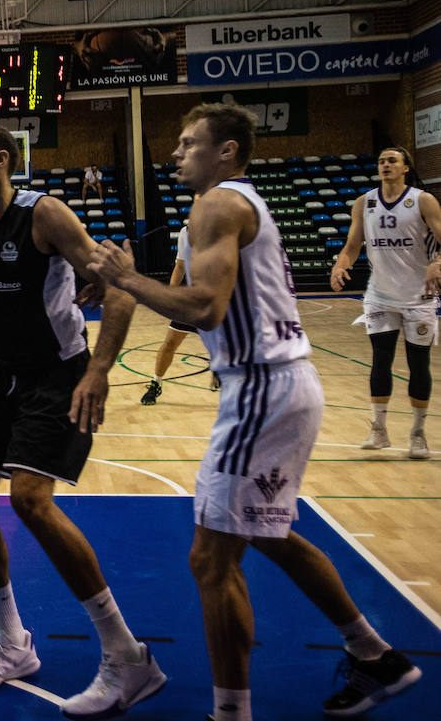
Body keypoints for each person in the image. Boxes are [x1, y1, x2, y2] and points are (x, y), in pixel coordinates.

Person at [89, 103, 422, 721]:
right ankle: (376, 655)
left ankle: (231, 713)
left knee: (210, 558)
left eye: (190, 144)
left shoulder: (218, 203)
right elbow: (198, 302)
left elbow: (205, 309)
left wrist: (126, 278)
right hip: (280, 384)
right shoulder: (228, 207)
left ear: (228, 152)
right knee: (269, 532)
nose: (177, 154)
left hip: (262, 389)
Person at [0, 124, 158, 719]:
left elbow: (120, 289)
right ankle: (13, 643)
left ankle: (127, 655)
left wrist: (99, 371)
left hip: (57, 373)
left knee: (29, 500)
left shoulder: (45, 217)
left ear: (1, 161)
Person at [330, 146, 441, 459]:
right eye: (381, 161)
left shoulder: (422, 200)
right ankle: (379, 429)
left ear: (406, 167)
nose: (385, 165)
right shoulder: (365, 203)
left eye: (392, 160)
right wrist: (341, 264)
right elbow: (352, 245)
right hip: (379, 295)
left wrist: (438, 262)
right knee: (380, 360)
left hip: (419, 297)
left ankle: (418, 433)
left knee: (418, 365)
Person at [141, 208, 219, 406]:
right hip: (191, 301)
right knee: (170, 343)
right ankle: (156, 384)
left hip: (215, 301)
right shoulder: (186, 233)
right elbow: (180, 266)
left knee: (230, 348)